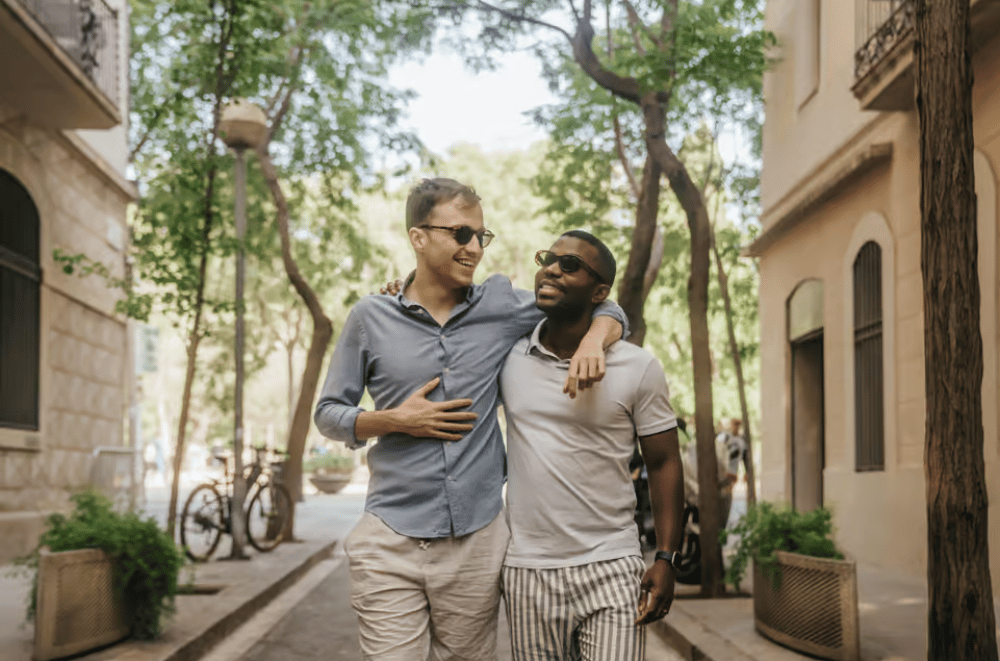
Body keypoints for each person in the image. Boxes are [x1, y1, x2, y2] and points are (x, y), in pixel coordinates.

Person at [313, 178, 628, 661]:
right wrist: (393, 419)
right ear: (419, 237)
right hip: (389, 538)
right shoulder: (369, 317)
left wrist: (593, 340)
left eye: (482, 235)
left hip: (478, 543)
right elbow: (329, 413)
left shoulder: (502, 308)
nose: (475, 247)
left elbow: (601, 302)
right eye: (461, 234)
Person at [500, 230, 685, 661]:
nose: (550, 268)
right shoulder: (508, 357)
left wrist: (666, 557)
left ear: (600, 292)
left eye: (569, 265)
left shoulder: (638, 367)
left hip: (612, 564)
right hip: (528, 569)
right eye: (548, 258)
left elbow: (663, 462)